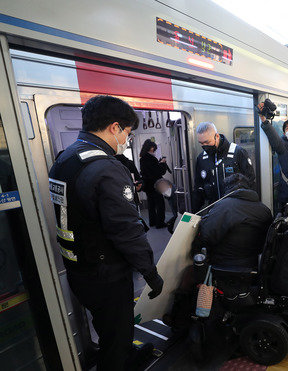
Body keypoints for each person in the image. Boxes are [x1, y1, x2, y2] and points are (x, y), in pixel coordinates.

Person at [48, 95, 163, 370]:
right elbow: (126, 231)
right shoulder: (106, 168)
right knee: (117, 332)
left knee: (107, 326)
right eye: (127, 132)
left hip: (79, 267)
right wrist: (150, 272)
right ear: (114, 127)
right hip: (106, 272)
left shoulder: (66, 159)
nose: (127, 139)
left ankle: (126, 356)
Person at [195, 174, 272, 268]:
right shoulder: (264, 209)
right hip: (255, 263)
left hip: (225, 264)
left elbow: (206, 236)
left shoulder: (224, 206)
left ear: (227, 188)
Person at [191, 122, 255, 213]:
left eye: (207, 142)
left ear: (216, 136)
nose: (204, 146)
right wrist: (192, 212)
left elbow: (250, 181)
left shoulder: (237, 153)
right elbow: (199, 187)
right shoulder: (202, 159)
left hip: (236, 208)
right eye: (201, 143)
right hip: (214, 210)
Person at [258, 105, 288, 213]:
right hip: (287, 194)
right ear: (284, 133)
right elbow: (274, 138)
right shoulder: (282, 146)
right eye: (287, 128)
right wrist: (264, 120)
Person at [140, 139, 168, 228]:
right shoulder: (152, 159)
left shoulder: (142, 158)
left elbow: (148, 171)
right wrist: (163, 164)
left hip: (147, 185)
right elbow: (159, 172)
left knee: (151, 204)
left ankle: (152, 222)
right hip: (156, 185)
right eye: (154, 149)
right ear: (151, 148)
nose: (155, 151)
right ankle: (160, 223)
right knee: (160, 204)